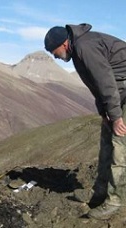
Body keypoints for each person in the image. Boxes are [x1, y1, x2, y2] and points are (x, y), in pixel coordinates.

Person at [44, 23, 126, 220]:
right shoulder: (78, 49)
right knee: (105, 144)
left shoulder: (84, 47)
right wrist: (104, 112)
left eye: (54, 52)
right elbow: (95, 85)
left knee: (119, 145)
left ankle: (114, 201)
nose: (55, 57)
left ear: (64, 44)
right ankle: (99, 193)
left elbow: (106, 81)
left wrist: (116, 117)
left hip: (121, 92)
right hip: (117, 93)